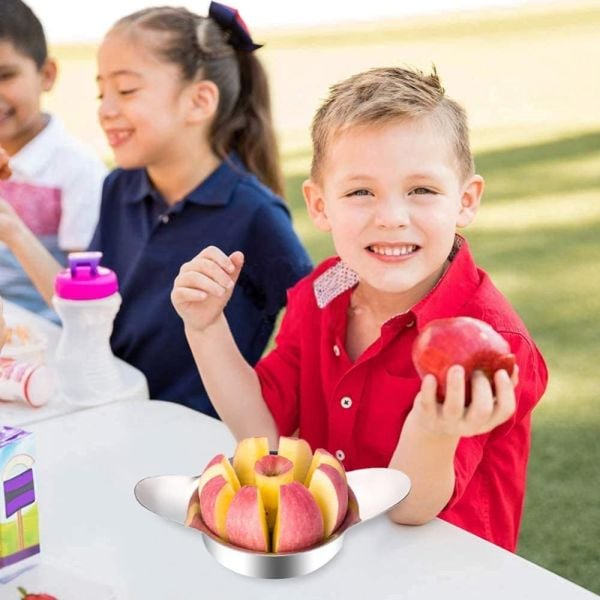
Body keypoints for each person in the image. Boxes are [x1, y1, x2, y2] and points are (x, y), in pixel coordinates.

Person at [171, 66, 548, 551]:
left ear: (466, 200)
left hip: (446, 575)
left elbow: (411, 508)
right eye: (360, 192)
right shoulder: (324, 290)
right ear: (320, 204)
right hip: (343, 554)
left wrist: (433, 427)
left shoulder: (496, 345)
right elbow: (262, 433)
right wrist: (205, 329)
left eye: (422, 190)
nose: (391, 218)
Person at [0, 3, 312, 415]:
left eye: (126, 90)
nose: (105, 109)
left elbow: (319, 323)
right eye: (101, 92)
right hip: (111, 411)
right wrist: (13, 230)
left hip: (194, 438)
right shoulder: (119, 188)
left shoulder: (254, 214)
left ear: (199, 101)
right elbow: (84, 311)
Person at [0, 0, 107, 321]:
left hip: (48, 345)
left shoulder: (79, 170)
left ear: (46, 75)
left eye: (5, 75)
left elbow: (86, 302)